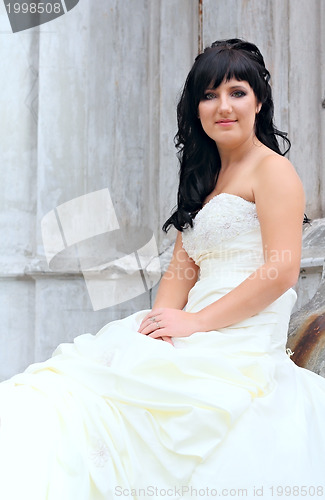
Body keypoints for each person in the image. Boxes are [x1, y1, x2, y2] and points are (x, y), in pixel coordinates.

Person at [0, 38, 325, 500]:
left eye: (237, 92)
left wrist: (194, 322)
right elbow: (182, 265)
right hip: (193, 329)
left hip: (240, 344)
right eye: (209, 95)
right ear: (195, 109)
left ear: (259, 100)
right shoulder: (208, 178)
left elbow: (282, 270)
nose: (222, 106)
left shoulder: (273, 171)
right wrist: (159, 329)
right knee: (72, 391)